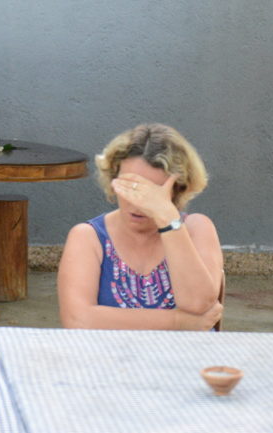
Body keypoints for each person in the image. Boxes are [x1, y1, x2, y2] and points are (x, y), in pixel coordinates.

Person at [58, 123, 223, 330]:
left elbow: (197, 303)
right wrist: (178, 322)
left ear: (178, 189)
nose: (138, 203)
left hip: (188, 360)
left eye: (152, 192)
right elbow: (78, 320)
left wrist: (167, 219)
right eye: (130, 187)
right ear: (112, 180)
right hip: (108, 359)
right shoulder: (87, 237)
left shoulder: (196, 228)